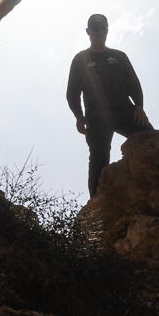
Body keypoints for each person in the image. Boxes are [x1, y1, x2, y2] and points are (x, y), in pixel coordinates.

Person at [65, 13, 152, 197]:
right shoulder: (80, 60)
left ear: (107, 30)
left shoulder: (118, 56)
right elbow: (72, 92)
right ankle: (96, 202)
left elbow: (133, 84)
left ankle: (158, 181)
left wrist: (139, 106)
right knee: (99, 156)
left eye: (102, 28)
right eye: (95, 29)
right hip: (97, 117)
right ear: (88, 31)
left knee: (151, 139)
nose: (99, 32)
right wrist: (79, 116)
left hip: (125, 110)